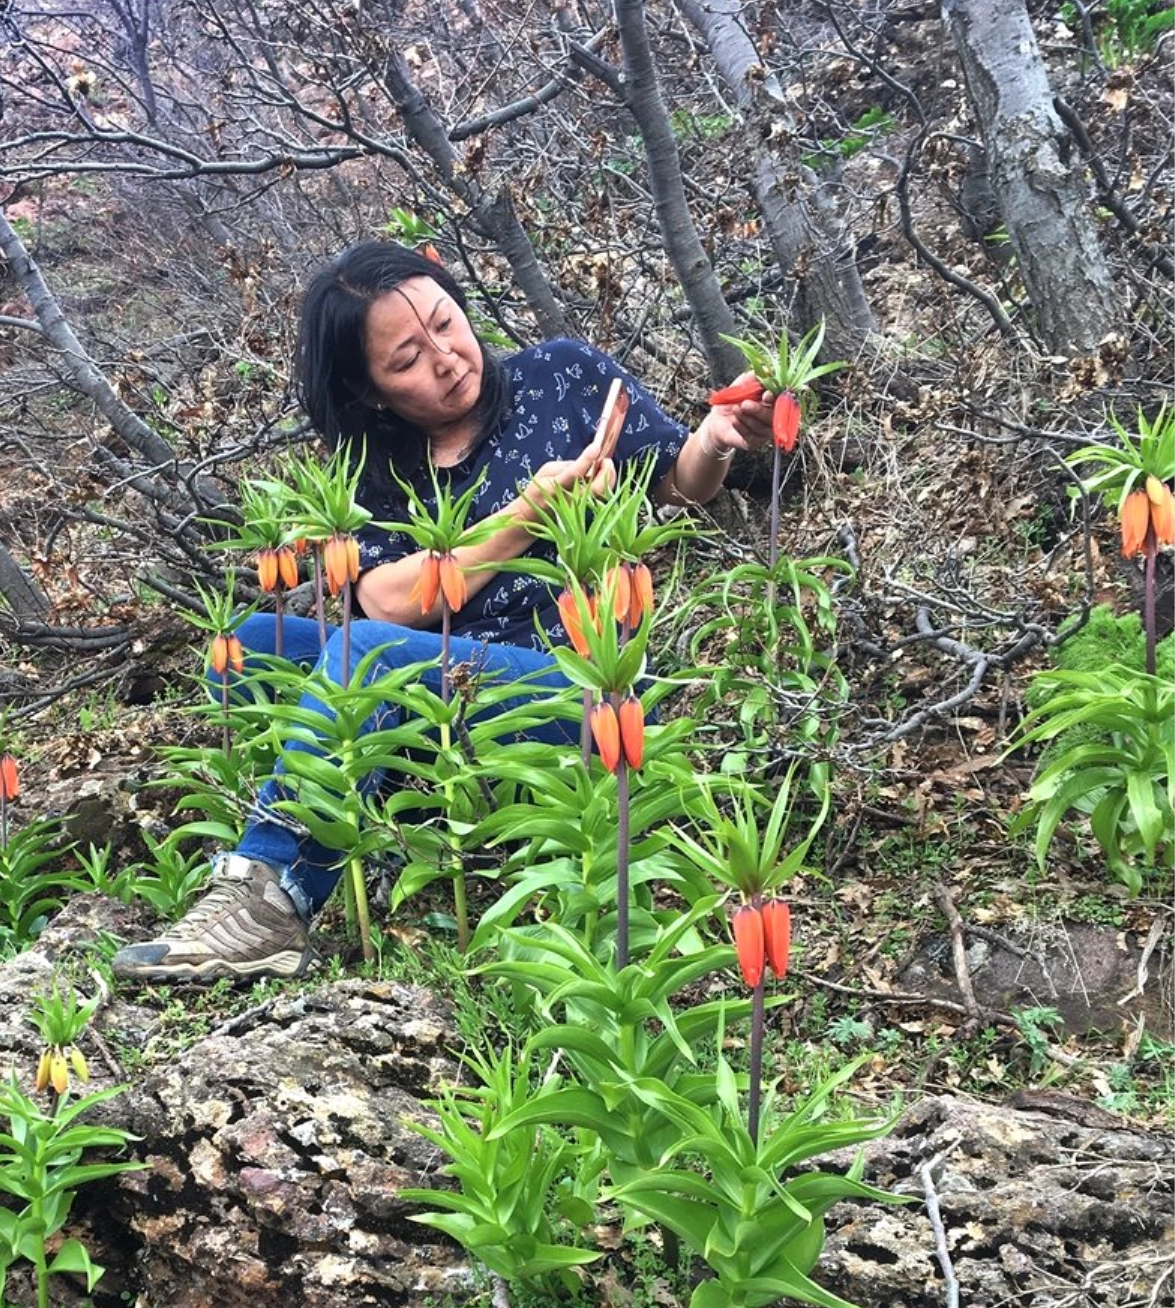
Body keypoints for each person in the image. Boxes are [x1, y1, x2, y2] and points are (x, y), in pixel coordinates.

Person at [113, 242, 773, 982]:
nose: (448, 358)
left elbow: (679, 483)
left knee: (364, 656)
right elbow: (385, 600)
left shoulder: (561, 375)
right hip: (442, 680)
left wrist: (714, 440)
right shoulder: (373, 463)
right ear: (369, 391)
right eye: (406, 360)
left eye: (446, 323)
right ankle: (388, 805)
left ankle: (275, 894)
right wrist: (530, 511)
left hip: (585, 686)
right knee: (246, 645)